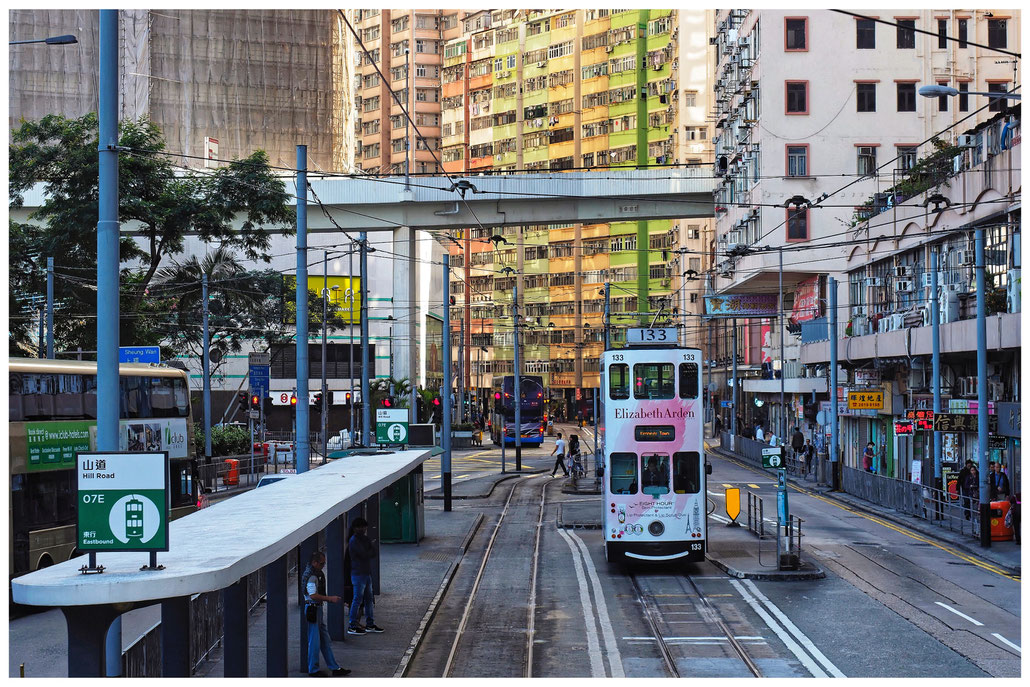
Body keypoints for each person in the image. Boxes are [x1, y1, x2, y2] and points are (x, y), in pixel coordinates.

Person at [302, 551, 351, 677]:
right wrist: (330, 599)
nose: (323, 565)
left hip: (314, 609)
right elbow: (312, 595)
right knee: (315, 641)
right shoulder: (312, 576)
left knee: (324, 640)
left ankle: (334, 667)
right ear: (315, 562)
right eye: (322, 563)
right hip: (313, 608)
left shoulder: (312, 573)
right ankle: (314, 670)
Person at [347, 517, 383, 635]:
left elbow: (371, 552)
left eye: (364, 527)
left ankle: (369, 624)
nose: (363, 529)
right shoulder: (354, 541)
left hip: (364, 573)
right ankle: (352, 625)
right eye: (361, 527)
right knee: (357, 599)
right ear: (355, 528)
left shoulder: (361, 539)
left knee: (367, 600)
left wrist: (367, 551)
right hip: (358, 574)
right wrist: (368, 550)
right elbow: (366, 553)